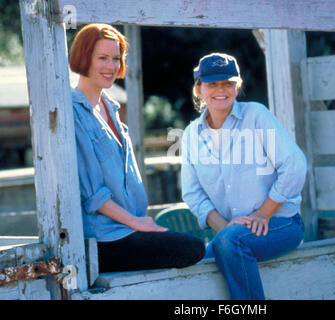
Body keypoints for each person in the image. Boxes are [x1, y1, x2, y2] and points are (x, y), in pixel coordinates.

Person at [69, 23, 205, 273]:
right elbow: (93, 194)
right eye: (102, 58)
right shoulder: (73, 111)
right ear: (83, 57)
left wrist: (139, 222)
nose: (111, 66)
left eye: (115, 58)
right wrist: (137, 223)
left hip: (131, 227)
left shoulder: (110, 106)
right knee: (194, 249)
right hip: (105, 238)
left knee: (202, 244)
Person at [181, 53, 307, 300]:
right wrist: (223, 226)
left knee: (229, 243)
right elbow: (192, 193)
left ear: (237, 87)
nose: (221, 90)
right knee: (198, 262)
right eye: (212, 84)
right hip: (230, 233)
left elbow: (295, 166)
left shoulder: (256, 115)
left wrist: (264, 213)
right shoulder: (190, 135)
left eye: (228, 83)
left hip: (282, 223)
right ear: (199, 89)